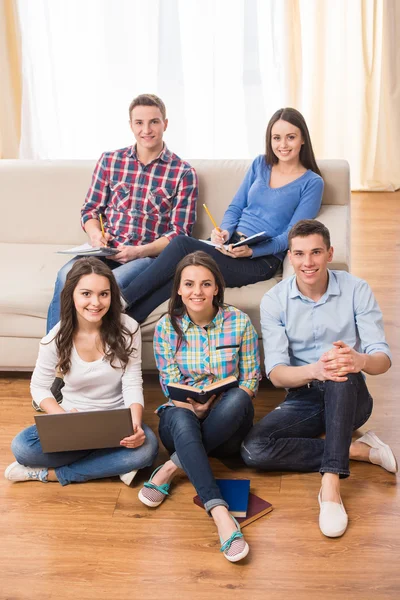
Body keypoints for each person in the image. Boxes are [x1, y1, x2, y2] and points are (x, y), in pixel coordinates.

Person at [241, 220, 397, 538]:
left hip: (351, 395)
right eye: (299, 254)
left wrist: (359, 360)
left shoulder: (356, 289)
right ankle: (360, 450)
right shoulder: (274, 300)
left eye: (315, 252)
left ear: (329, 253)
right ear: (289, 256)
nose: (307, 262)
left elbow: (383, 360)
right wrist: (315, 371)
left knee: (340, 368)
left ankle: (330, 485)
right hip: (304, 395)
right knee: (253, 450)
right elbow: (276, 373)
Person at [119, 106, 324, 324]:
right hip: (229, 246)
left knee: (181, 245)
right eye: (276, 138)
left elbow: (292, 237)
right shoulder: (260, 164)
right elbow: (236, 207)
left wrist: (252, 251)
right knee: (181, 276)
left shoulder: (312, 183)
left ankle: (120, 300)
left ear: (303, 139)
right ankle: (127, 321)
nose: (282, 145)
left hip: (260, 260)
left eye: (290, 137)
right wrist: (224, 231)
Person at [137, 251, 261, 562]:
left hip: (228, 424)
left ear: (217, 288)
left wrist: (214, 404)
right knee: (178, 417)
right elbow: (169, 382)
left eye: (206, 284)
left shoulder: (239, 322)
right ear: (178, 288)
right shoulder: (167, 327)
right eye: (189, 284)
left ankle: (169, 468)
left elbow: (251, 379)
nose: (197, 292)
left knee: (240, 398)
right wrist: (191, 405)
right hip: (183, 420)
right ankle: (220, 514)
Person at [46, 93, 198, 333]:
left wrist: (139, 251)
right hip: (104, 250)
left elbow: (179, 233)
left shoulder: (183, 172)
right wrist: (96, 235)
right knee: (66, 275)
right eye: (139, 123)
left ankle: (91, 355)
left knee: (104, 287)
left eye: (154, 122)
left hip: (145, 256)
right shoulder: (110, 161)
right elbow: (90, 209)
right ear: (131, 125)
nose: (146, 130)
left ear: (165, 124)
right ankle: (57, 356)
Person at [5, 258, 158, 486]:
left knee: (147, 450)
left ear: (111, 296)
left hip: (116, 420)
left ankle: (49, 474)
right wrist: (60, 416)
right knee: (22, 448)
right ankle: (113, 464)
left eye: (103, 294)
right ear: (72, 295)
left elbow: (132, 382)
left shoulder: (128, 328)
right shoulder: (55, 339)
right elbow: (38, 387)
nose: (95, 303)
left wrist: (135, 424)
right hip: (72, 423)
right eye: (86, 294)